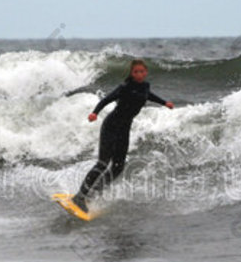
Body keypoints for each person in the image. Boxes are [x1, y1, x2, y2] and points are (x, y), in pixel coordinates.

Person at [72, 59, 174, 212]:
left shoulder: (145, 86)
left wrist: (164, 102)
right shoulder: (124, 87)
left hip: (124, 129)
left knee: (118, 167)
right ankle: (79, 197)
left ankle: (92, 194)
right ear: (131, 73)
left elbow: (148, 95)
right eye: (136, 72)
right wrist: (95, 113)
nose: (139, 74)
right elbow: (107, 99)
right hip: (111, 126)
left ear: (145, 72)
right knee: (102, 164)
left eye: (142, 71)